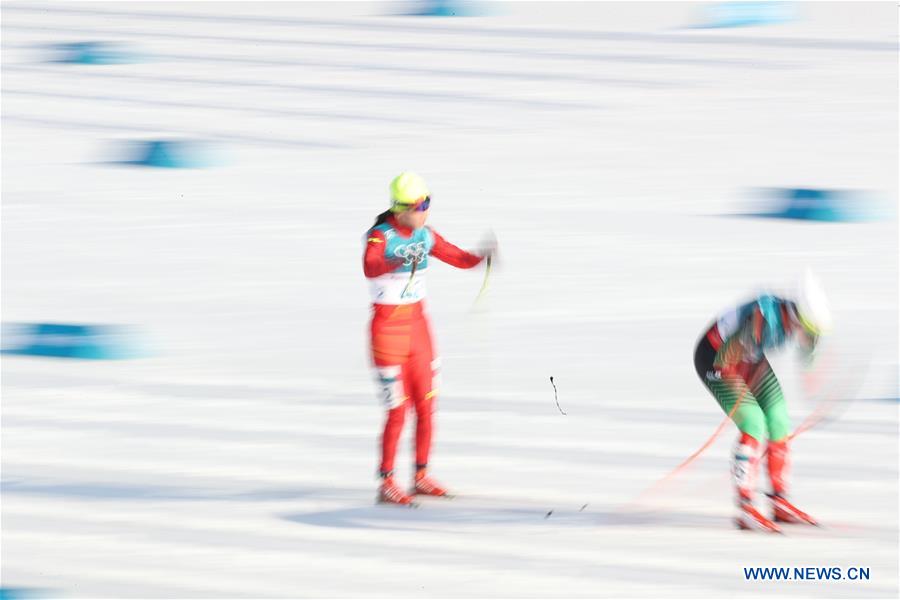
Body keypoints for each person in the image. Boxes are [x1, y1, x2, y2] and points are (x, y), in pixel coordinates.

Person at [363, 172, 494, 506]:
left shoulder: (425, 234)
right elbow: (371, 265)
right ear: (400, 208)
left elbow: (458, 258)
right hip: (388, 331)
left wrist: (481, 257)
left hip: (419, 329)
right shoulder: (381, 235)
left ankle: (420, 476)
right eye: (420, 205)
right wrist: (400, 255)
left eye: (428, 202)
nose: (426, 211)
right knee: (397, 410)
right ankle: (387, 481)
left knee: (426, 404)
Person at [693, 272, 832, 532]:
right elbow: (727, 357)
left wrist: (820, 384)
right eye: (810, 333)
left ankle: (779, 499)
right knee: (753, 421)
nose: (809, 340)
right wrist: (738, 379)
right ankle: (745, 505)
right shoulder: (762, 317)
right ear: (798, 318)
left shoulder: (799, 321)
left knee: (778, 417)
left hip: (747, 356)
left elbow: (808, 361)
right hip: (716, 356)